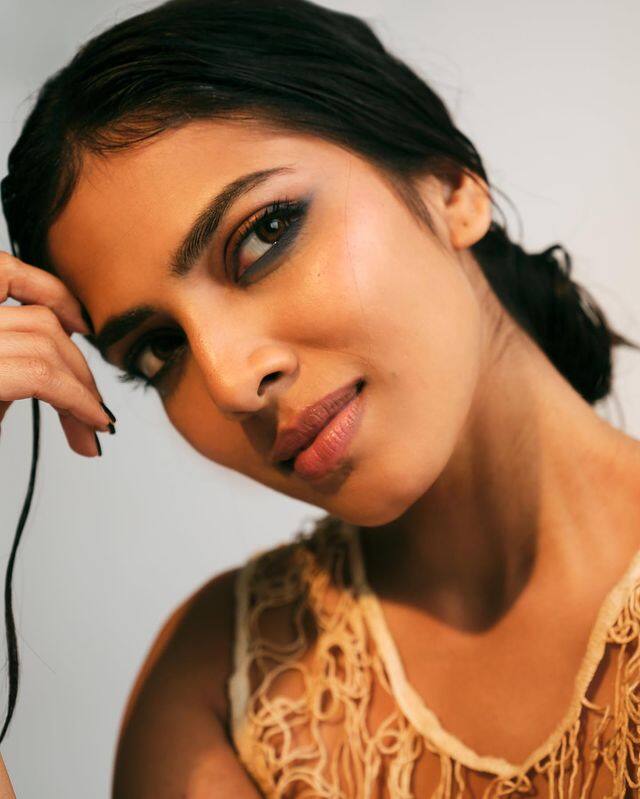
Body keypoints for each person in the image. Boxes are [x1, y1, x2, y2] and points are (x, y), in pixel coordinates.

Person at [2, 0, 640, 796]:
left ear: (450, 185)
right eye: (160, 348)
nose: (230, 381)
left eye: (264, 233)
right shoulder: (220, 685)